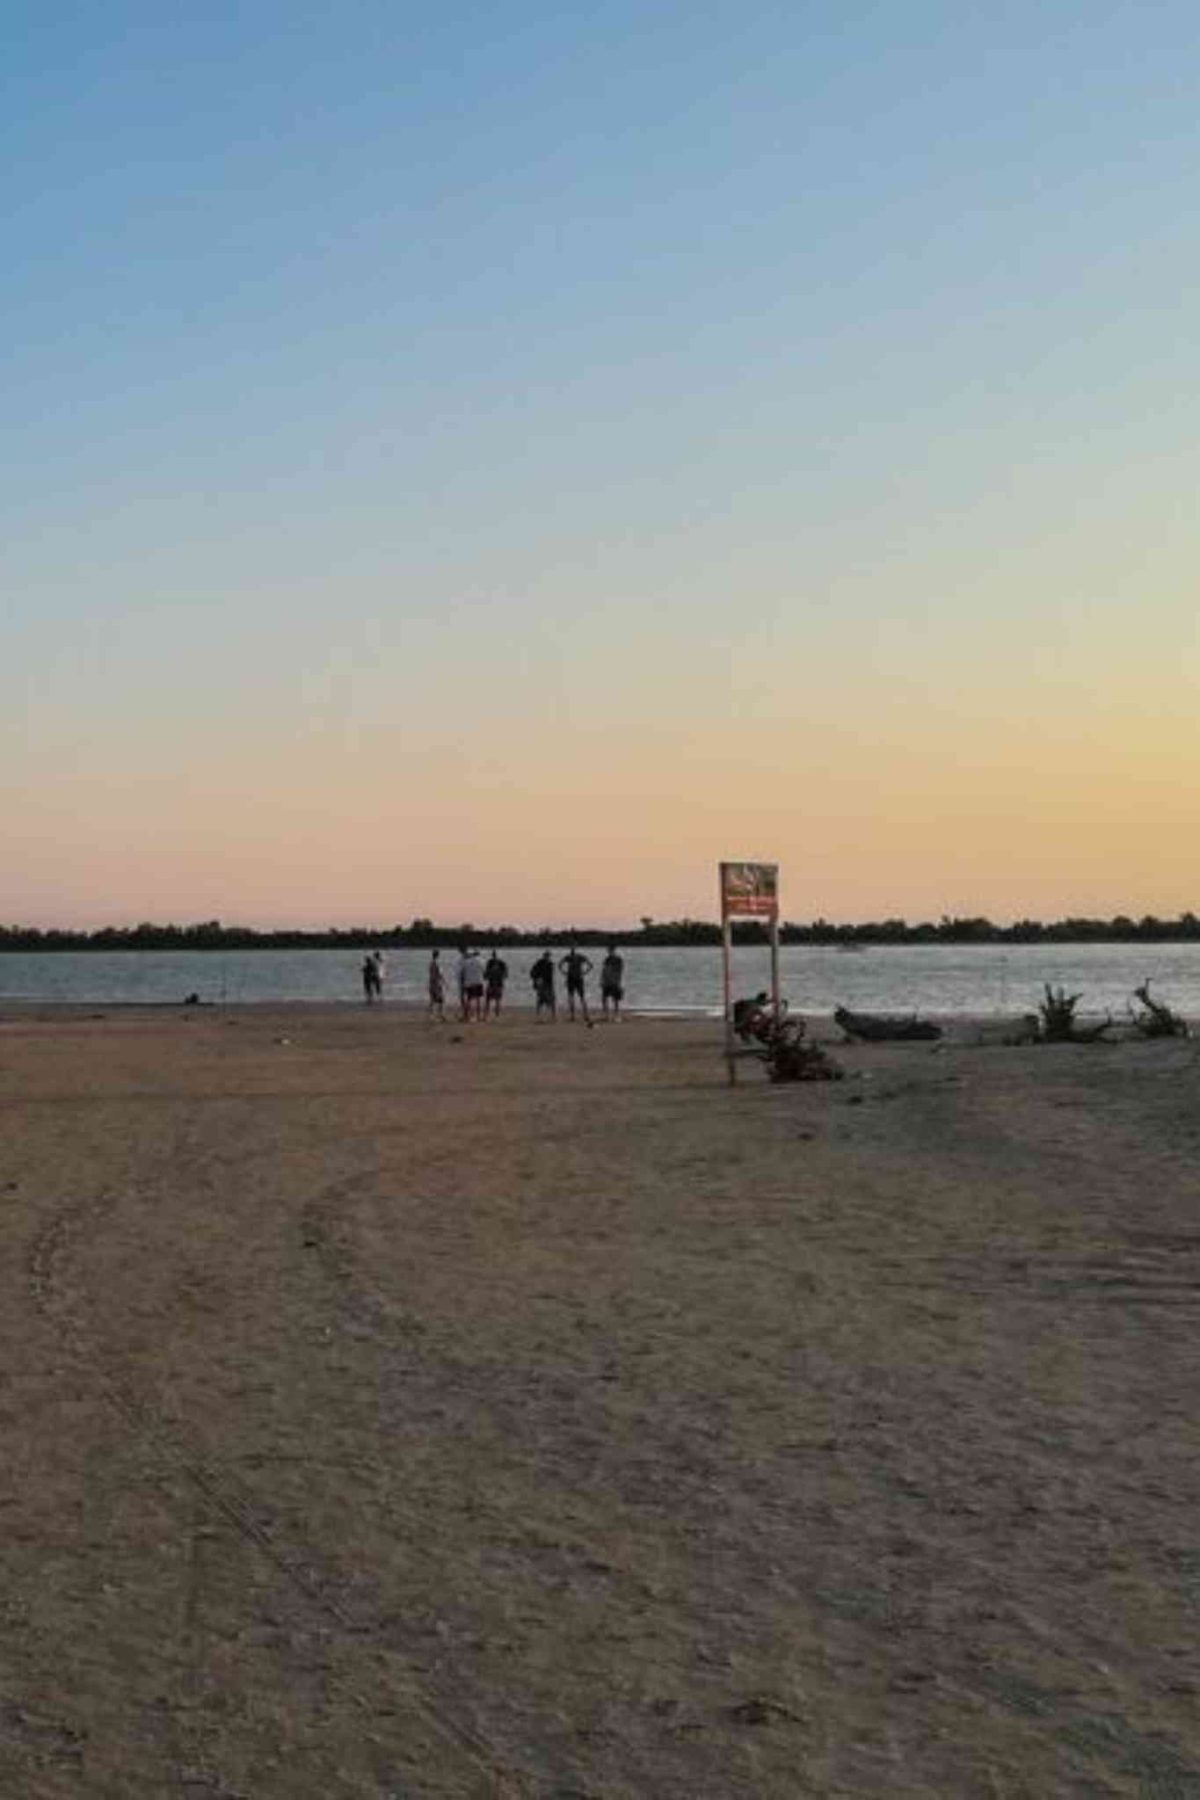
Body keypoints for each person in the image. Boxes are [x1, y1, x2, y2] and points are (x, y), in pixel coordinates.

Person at [558, 945, 593, 1023]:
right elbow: (560, 965)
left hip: (575, 978)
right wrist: (566, 973)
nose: (572, 951)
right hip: (574, 978)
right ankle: (577, 1015)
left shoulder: (574, 957)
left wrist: (584, 973)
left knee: (578, 997)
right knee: (574, 997)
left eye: (572, 950)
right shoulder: (571, 957)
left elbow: (590, 965)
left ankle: (582, 1015)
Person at [459, 946, 485, 1021]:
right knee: (478, 1000)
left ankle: (466, 1016)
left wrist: (463, 983)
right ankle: (478, 1016)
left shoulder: (467, 961)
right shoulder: (481, 961)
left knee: (469, 999)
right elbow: (484, 972)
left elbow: (463, 973)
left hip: (469, 982)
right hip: (478, 982)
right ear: (478, 954)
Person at [600, 944, 625, 1020]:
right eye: (608, 950)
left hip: (614, 981)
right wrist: (602, 980)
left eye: (610, 950)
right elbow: (604, 970)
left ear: (614, 950)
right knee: (604, 998)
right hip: (607, 982)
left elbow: (620, 970)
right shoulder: (607, 959)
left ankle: (616, 1015)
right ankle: (606, 1015)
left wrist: (618, 981)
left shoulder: (618, 959)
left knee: (615, 999)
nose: (609, 951)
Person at [530, 950, 556, 1020]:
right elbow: (533, 972)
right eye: (547, 956)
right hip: (543, 984)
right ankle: (540, 1015)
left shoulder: (549, 964)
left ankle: (552, 1015)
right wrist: (536, 981)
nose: (547, 957)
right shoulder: (540, 963)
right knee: (542, 1000)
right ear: (545, 956)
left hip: (547, 984)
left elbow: (550, 976)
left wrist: (535, 981)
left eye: (548, 956)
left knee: (549, 1000)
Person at [483, 951, 509, 1019]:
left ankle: (488, 1013)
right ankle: (496, 1014)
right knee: (497, 999)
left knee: (488, 999)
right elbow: (506, 974)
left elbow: (485, 975)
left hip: (492, 983)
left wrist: (487, 976)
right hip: (498, 984)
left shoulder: (490, 963)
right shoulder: (501, 963)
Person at [427, 950, 446, 1021]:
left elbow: (432, 974)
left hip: (431, 984)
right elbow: (439, 974)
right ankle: (440, 1015)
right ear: (438, 955)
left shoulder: (431, 964)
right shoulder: (437, 964)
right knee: (441, 1000)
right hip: (436, 984)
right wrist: (445, 982)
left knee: (432, 1000)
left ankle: (431, 1016)